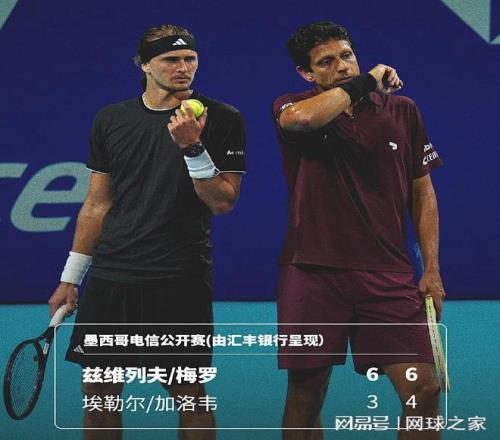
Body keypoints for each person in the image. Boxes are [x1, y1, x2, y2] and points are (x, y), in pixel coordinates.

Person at [48, 23, 245, 440]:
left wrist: (193, 147)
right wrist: (70, 278)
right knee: (99, 395)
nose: (183, 68)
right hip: (112, 277)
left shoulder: (223, 118)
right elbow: (97, 205)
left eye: (190, 59)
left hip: (179, 278)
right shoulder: (111, 119)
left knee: (189, 394)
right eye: (171, 59)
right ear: (144, 65)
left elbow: (223, 202)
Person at [272, 21, 445, 440]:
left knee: (424, 389)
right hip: (312, 273)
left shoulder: (403, 110)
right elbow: (302, 120)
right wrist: (366, 81)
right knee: (306, 395)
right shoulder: (293, 105)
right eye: (326, 62)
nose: (342, 66)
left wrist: (431, 269)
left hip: (387, 275)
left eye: (347, 56)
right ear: (306, 73)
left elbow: (422, 193)